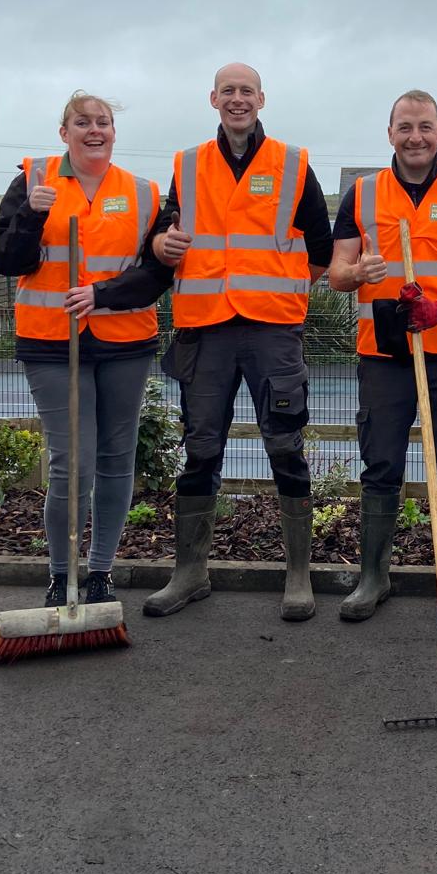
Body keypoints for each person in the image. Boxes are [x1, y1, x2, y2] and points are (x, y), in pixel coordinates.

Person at [142, 63, 334, 622]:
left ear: (261, 99)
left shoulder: (294, 164)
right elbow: (164, 233)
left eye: (246, 91)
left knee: (284, 445)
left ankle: (298, 575)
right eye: (228, 91)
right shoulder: (188, 164)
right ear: (213, 99)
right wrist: (160, 244)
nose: (237, 99)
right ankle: (190, 572)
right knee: (200, 446)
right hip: (205, 329)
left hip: (271, 330)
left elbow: (320, 246)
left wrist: (287, 294)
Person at [0, 91, 167, 610]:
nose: (95, 130)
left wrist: (103, 294)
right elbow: (6, 260)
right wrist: (30, 215)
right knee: (73, 461)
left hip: (125, 341)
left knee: (116, 457)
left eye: (104, 123)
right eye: (82, 122)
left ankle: (101, 573)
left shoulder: (143, 192)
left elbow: (156, 274)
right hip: (51, 341)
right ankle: (61, 574)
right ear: (63, 131)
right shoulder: (34, 181)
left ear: (114, 132)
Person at [326, 90, 437, 623]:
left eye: (425, 126)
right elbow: (336, 274)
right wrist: (360, 275)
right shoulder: (362, 194)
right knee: (381, 465)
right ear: (390, 133)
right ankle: (374, 576)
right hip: (383, 354)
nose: (415, 136)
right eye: (405, 127)